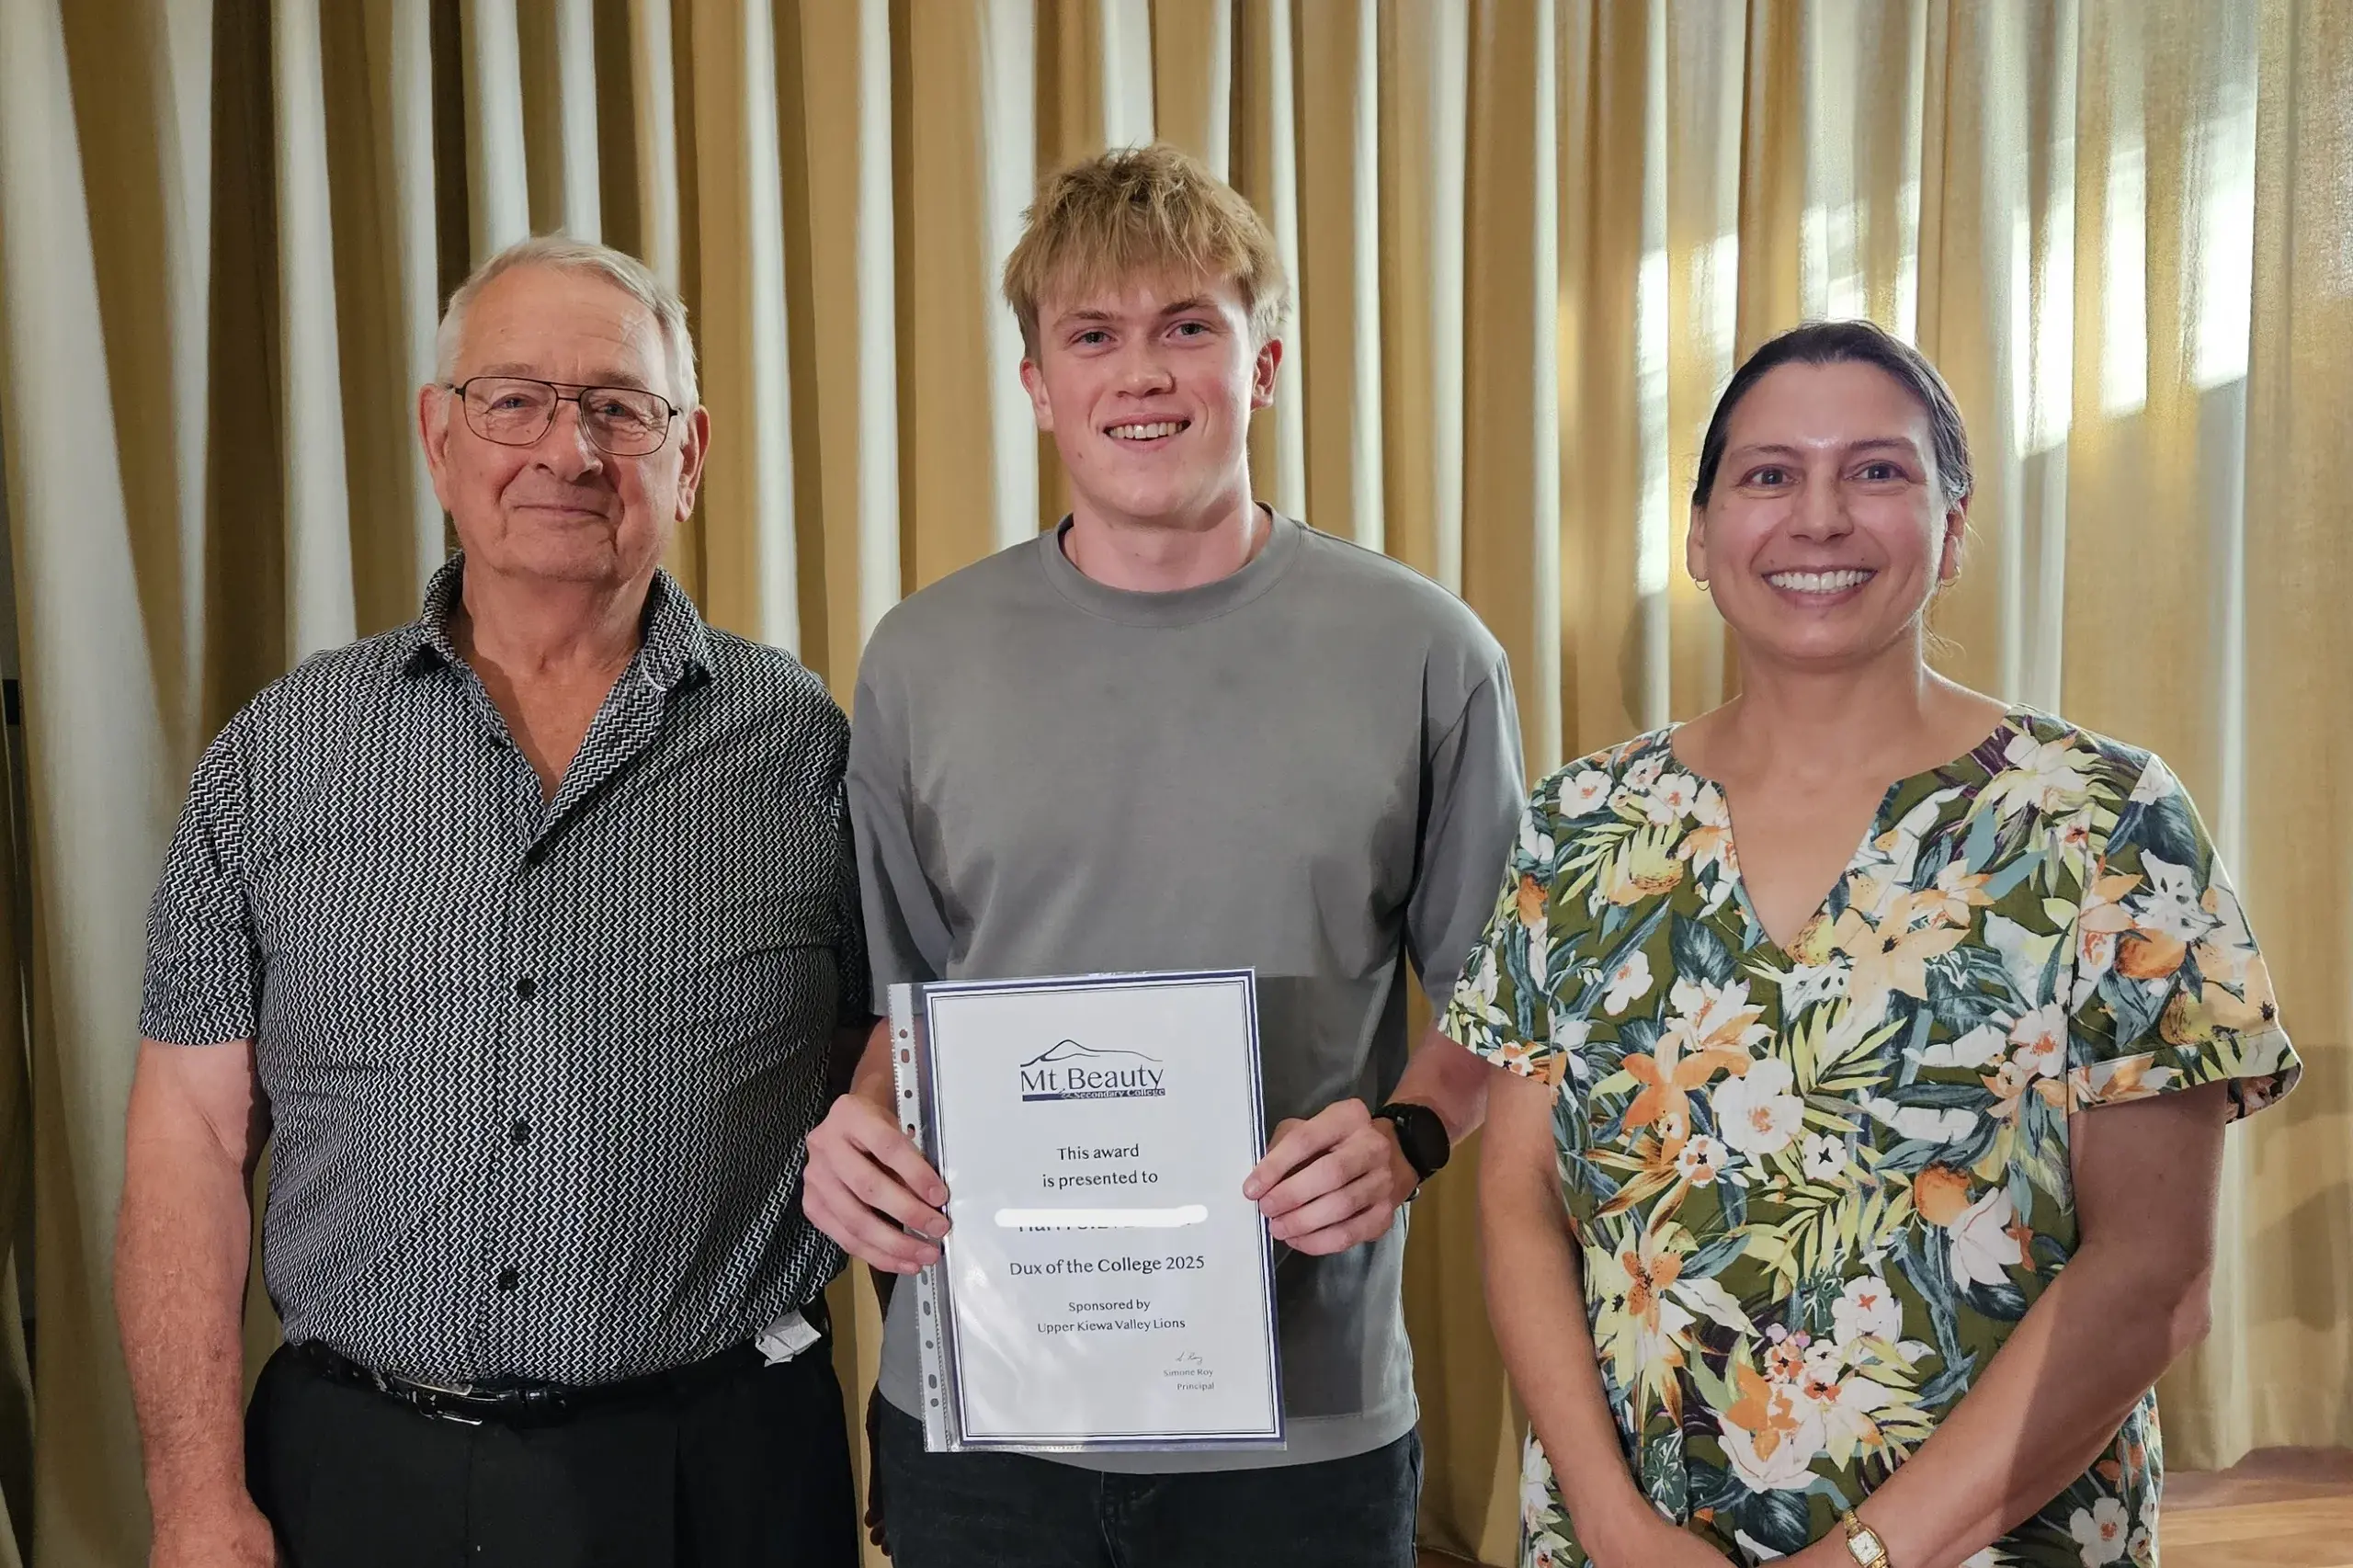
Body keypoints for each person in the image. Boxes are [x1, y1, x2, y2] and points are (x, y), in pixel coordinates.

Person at [1447, 319, 2303, 1568]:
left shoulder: (2102, 821)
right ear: (1700, 535)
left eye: (1877, 471)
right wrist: (1613, 1524)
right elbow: (1521, 1200)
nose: (1820, 517)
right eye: (1770, 474)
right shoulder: (1583, 822)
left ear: (1952, 529)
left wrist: (1866, 1559)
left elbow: (2155, 1276)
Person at [801, 143, 1525, 1567]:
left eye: (1188, 325)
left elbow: (1506, 1008)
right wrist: (861, 1135)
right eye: (1094, 335)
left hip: (1305, 1428)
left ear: (1263, 365)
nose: (1142, 374)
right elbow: (905, 1003)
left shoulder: (1427, 652)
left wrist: (1408, 1138)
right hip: (985, 1412)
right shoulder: (920, 660)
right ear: (1037, 383)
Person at [116, 235, 866, 1568]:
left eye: (619, 407)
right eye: (513, 400)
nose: (567, 452)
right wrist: (192, 1500)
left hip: (723, 1478)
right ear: (439, 438)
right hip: (357, 1475)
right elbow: (188, 1136)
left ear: (689, 455)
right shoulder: (279, 755)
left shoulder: (810, 749)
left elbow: (897, 1072)